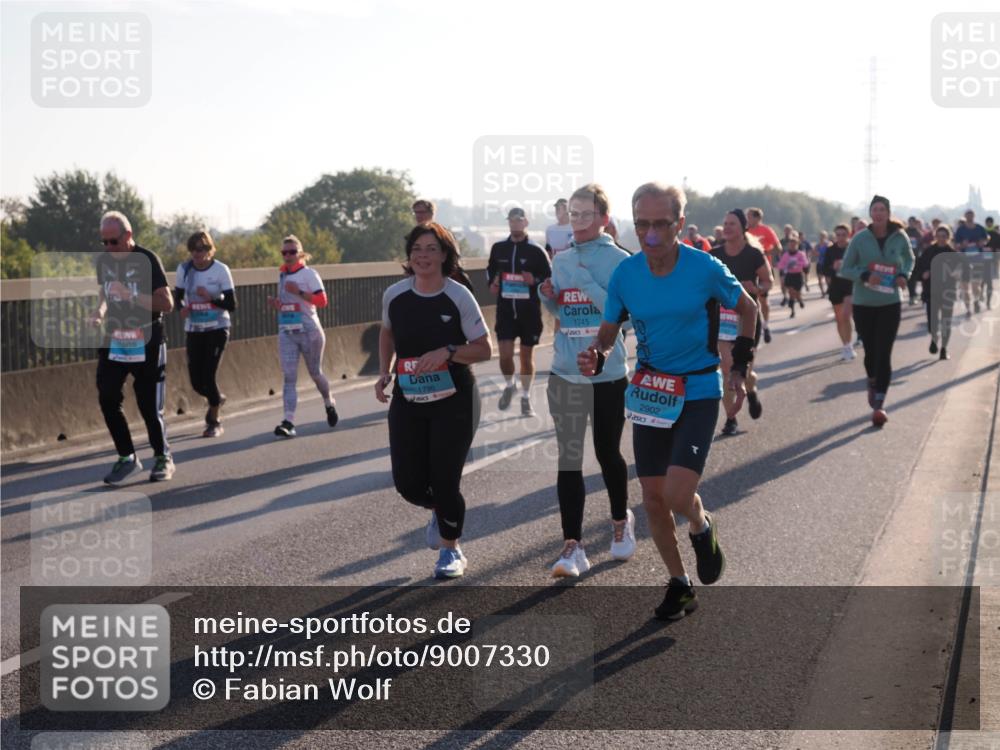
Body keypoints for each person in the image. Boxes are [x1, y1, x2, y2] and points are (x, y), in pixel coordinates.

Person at [578, 183, 759, 620]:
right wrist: (598, 352)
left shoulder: (704, 268)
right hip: (651, 393)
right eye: (643, 224)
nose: (652, 233)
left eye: (662, 224)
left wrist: (739, 368)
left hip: (697, 389)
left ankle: (701, 524)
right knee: (654, 499)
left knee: (680, 496)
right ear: (633, 224)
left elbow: (749, 308)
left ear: (679, 223)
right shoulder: (626, 274)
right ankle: (680, 584)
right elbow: (610, 327)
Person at [376, 223, 492, 579]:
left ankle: (450, 549)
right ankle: (440, 511)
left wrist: (449, 351)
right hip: (409, 397)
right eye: (416, 249)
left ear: (445, 255)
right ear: (409, 256)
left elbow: (484, 349)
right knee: (407, 483)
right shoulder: (395, 294)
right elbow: (387, 332)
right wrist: (385, 372)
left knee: (444, 479)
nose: (422, 256)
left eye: (431, 249)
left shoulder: (458, 295)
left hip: (454, 398)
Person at [538, 184, 632, 577]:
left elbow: (619, 311)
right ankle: (572, 547)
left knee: (607, 452)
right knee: (569, 458)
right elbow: (563, 308)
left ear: (604, 219)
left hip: (607, 374)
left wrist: (581, 277)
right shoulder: (560, 260)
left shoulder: (621, 261)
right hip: (565, 370)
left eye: (585, 214)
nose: (576, 221)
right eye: (572, 214)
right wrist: (548, 295)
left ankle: (619, 522)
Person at [88, 211, 175, 484]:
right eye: (104, 242)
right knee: (108, 396)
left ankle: (162, 457)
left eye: (113, 242)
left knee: (148, 404)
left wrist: (131, 295)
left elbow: (167, 304)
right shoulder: (105, 262)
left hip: (147, 338)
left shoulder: (147, 260)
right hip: (116, 337)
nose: (108, 248)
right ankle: (127, 457)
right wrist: (99, 312)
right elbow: (105, 293)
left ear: (128, 236)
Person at [837, 195, 914, 427]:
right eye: (875, 209)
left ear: (888, 213)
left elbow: (909, 260)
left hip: (890, 303)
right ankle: (872, 380)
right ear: (871, 213)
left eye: (882, 209)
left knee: (884, 352)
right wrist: (864, 275)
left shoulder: (899, 237)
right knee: (871, 352)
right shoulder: (860, 238)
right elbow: (845, 268)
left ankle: (880, 403)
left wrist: (903, 275)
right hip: (864, 303)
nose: (878, 213)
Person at [267, 235, 339, 437]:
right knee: (289, 377)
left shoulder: (309, 274)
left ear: (300, 253)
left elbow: (322, 301)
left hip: (309, 331)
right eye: (284, 252)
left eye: (292, 252)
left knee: (315, 373)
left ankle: (328, 402)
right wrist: (277, 305)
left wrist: (298, 291)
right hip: (287, 331)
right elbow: (287, 304)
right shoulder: (281, 275)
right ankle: (288, 422)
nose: (288, 256)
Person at [487, 207, 552, 416]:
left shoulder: (536, 250)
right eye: (511, 220)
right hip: (505, 310)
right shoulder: (498, 248)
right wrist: (492, 284)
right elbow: (491, 270)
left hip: (529, 311)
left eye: (518, 220)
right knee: (505, 356)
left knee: (526, 357)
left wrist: (534, 280)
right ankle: (510, 384)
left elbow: (549, 278)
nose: (514, 224)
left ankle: (525, 398)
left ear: (526, 223)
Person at [711, 209, 771, 435]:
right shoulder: (714, 254)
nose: (726, 227)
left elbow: (768, 282)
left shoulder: (754, 254)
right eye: (725, 223)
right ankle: (731, 419)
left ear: (743, 227)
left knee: (742, 369)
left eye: (732, 224)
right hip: (722, 318)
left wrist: (755, 289)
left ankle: (751, 389)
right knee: (726, 369)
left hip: (747, 318)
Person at [175, 231, 236, 438]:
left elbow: (231, 304)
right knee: (196, 381)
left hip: (217, 327)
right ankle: (216, 398)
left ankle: (214, 420)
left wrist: (209, 297)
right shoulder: (184, 270)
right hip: (195, 328)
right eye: (193, 249)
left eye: (201, 249)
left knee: (209, 374)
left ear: (210, 250)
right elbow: (178, 298)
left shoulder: (220, 270)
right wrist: (182, 308)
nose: (197, 254)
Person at [911, 224, 964, 360]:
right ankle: (934, 338)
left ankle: (944, 349)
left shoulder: (953, 253)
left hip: (948, 292)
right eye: (939, 236)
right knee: (932, 323)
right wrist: (923, 274)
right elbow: (918, 268)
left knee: (946, 321)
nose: (941, 239)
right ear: (935, 237)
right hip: (931, 292)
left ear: (948, 237)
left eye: (944, 236)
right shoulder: (928, 252)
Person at [820, 224, 857, 361]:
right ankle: (846, 346)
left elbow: (860, 266)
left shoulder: (852, 248)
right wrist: (833, 268)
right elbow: (823, 269)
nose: (840, 238)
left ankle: (849, 345)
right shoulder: (830, 250)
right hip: (836, 286)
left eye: (843, 235)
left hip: (850, 285)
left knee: (846, 315)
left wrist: (848, 267)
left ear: (848, 235)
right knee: (840, 318)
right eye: (838, 235)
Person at [746, 207, 780, 343]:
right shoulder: (745, 230)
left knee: (763, 300)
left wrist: (765, 254)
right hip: (748, 270)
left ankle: (765, 325)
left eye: (749, 216)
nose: (747, 219)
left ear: (757, 218)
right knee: (750, 300)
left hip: (763, 269)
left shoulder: (766, 230)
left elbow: (778, 248)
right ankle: (752, 327)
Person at [954, 209, 990, 313]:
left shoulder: (979, 228)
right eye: (967, 215)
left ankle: (976, 301)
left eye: (971, 215)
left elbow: (987, 239)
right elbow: (955, 245)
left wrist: (982, 242)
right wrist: (962, 245)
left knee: (976, 285)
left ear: (974, 216)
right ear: (965, 216)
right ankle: (968, 308)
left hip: (977, 259)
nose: (969, 217)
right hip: (964, 260)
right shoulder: (961, 230)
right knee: (965, 286)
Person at [777, 232, 809, 316]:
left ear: (797, 245)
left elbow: (805, 263)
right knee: (791, 293)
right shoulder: (786, 255)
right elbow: (781, 265)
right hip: (790, 276)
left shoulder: (801, 254)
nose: (792, 246)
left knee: (797, 294)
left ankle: (800, 300)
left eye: (794, 245)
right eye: (790, 245)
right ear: (788, 246)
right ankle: (792, 311)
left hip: (798, 275)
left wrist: (797, 264)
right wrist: (784, 268)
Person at [815, 230, 830, 297]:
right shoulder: (817, 245)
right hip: (820, 264)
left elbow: (831, 252)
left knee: (828, 279)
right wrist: (817, 253)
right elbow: (814, 253)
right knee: (819, 279)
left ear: (826, 236)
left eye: (823, 236)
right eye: (821, 236)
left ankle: (829, 289)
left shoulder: (829, 244)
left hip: (827, 264)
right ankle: (822, 292)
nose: (822, 237)